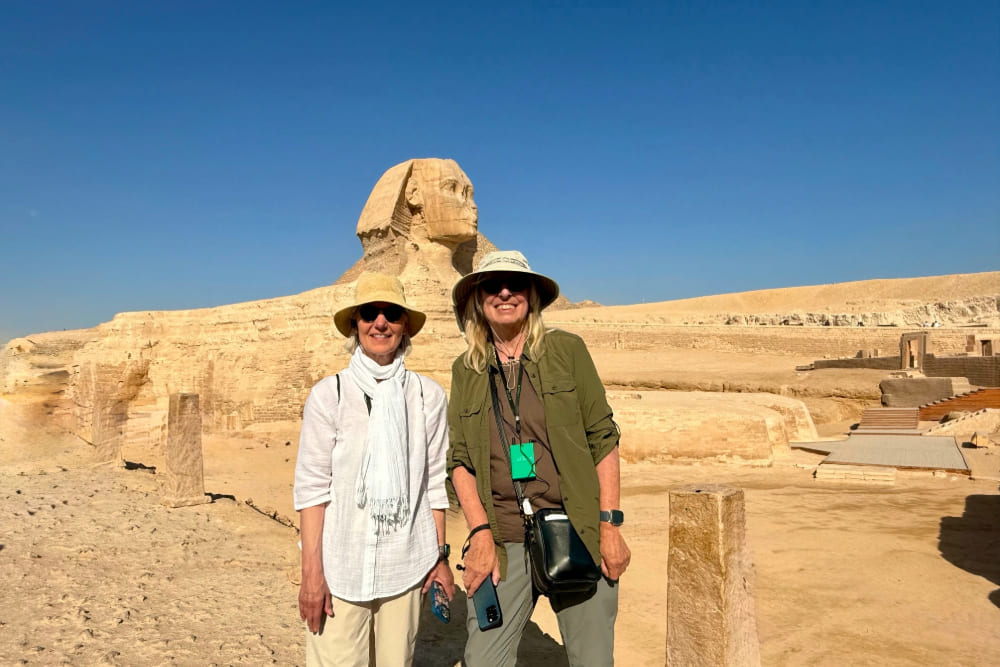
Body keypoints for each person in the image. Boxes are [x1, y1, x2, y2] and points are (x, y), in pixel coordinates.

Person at [447, 251, 631, 666]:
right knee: (483, 660)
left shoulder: (566, 350)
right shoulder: (467, 370)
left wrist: (610, 525)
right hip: (504, 540)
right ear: (479, 299)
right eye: (493, 286)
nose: (505, 292)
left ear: (532, 295)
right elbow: (459, 461)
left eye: (516, 284)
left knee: (593, 660)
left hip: (576, 531)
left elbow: (603, 438)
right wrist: (479, 535)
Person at [293, 272, 454, 666]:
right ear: (355, 325)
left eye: (391, 314)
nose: (380, 323)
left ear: (404, 327)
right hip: (341, 566)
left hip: (406, 563)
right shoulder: (328, 395)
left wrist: (440, 558)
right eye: (369, 313)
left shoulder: (426, 396)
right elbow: (312, 489)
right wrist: (312, 574)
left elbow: (434, 483)